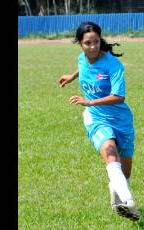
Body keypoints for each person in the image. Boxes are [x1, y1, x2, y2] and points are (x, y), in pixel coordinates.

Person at [58, 21, 139, 221]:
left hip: (121, 121)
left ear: (100, 40)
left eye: (96, 42)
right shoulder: (81, 58)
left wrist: (89, 100)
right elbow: (83, 66)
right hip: (96, 119)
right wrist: (71, 77)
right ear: (80, 44)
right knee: (111, 156)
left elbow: (119, 96)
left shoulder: (113, 65)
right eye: (87, 43)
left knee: (124, 174)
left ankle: (117, 198)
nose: (92, 47)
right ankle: (129, 201)